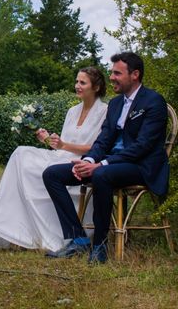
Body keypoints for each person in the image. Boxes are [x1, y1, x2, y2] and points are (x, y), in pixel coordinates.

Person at [42, 52, 168, 263]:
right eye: (111, 73)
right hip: (108, 163)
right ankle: (79, 239)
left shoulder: (154, 101)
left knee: (101, 175)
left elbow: (142, 146)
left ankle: (99, 246)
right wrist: (88, 161)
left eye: (117, 73)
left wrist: (101, 164)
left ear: (135, 74)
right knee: (52, 174)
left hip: (141, 165)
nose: (111, 77)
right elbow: (104, 140)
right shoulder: (116, 104)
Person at [0, 67, 108, 252]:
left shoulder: (104, 111)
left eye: (82, 82)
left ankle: (45, 234)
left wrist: (63, 145)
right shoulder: (72, 111)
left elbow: (99, 147)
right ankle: (9, 230)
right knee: (20, 154)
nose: (77, 86)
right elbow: (63, 144)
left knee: (31, 168)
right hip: (61, 155)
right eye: (77, 81)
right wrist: (49, 140)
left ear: (96, 87)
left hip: (82, 161)